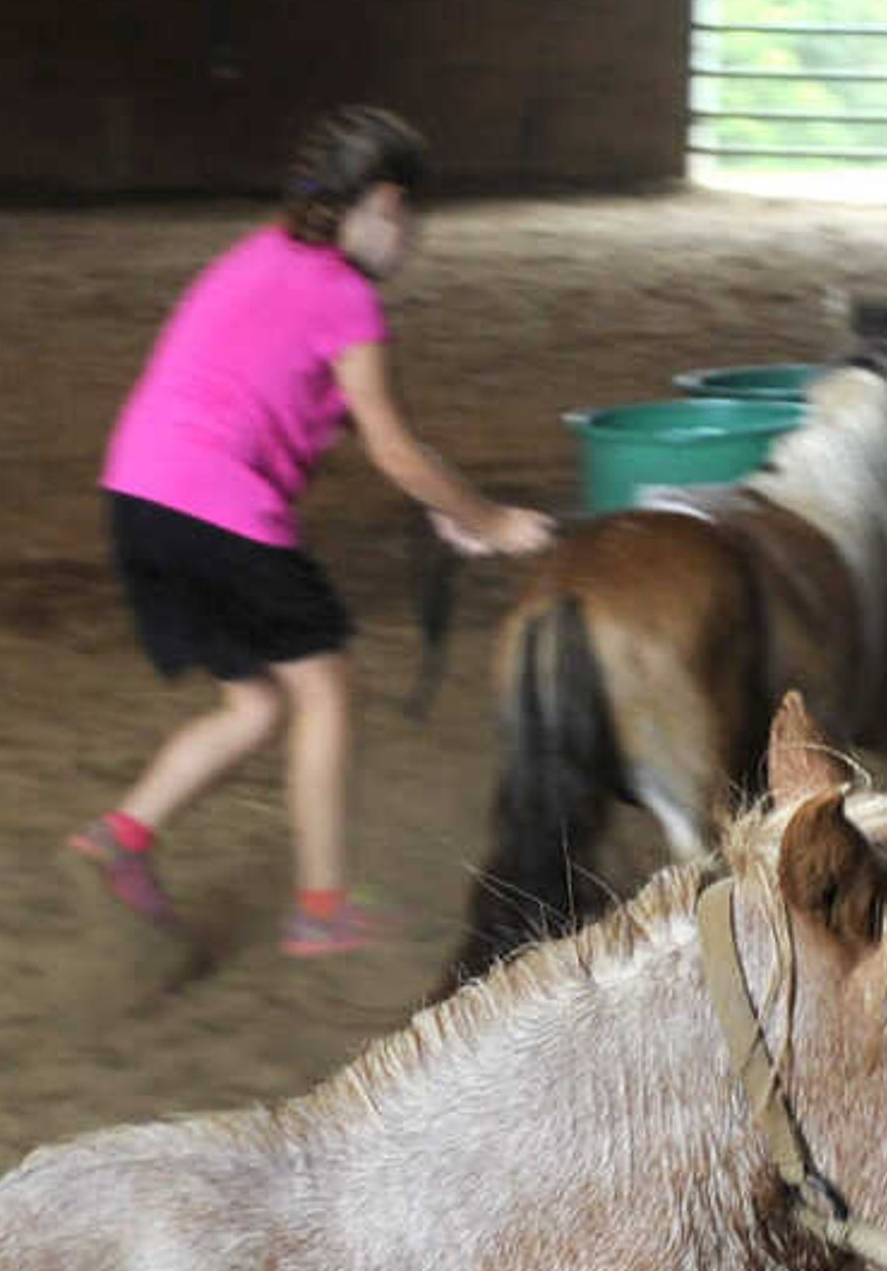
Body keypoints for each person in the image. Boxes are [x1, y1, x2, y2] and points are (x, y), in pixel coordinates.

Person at [66, 105, 549, 960]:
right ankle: (321, 908)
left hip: (138, 498)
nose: (411, 240)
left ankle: (122, 836)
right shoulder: (347, 298)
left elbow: (323, 406)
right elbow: (395, 444)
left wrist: (445, 506)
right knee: (324, 690)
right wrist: (493, 520)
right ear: (384, 206)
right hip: (220, 508)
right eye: (411, 219)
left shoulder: (257, 256)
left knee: (255, 702)